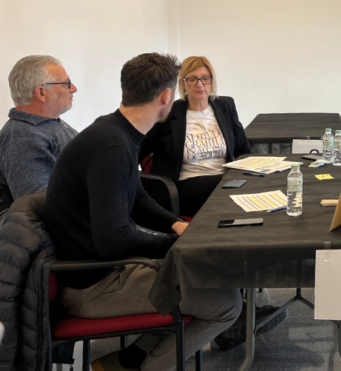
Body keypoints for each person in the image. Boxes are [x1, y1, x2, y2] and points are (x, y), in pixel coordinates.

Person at [46, 53, 244, 371]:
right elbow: (114, 239)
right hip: (94, 284)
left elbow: (137, 198)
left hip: (101, 269)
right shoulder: (112, 147)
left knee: (208, 277)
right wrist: (175, 246)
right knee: (228, 304)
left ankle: (128, 360)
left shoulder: (113, 131)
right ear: (167, 96)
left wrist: (177, 226)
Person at [139, 56, 251, 216]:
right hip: (183, 188)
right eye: (192, 79)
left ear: (211, 81)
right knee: (232, 192)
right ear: (183, 83)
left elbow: (243, 149)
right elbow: (139, 149)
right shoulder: (169, 113)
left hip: (225, 182)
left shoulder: (225, 106)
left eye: (205, 78)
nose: (200, 84)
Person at [0, 55, 78, 214]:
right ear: (41, 92)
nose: (74, 88)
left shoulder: (47, 124)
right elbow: (39, 207)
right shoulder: (23, 138)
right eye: (66, 83)